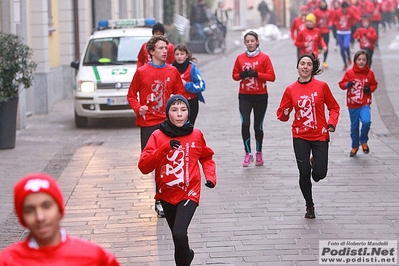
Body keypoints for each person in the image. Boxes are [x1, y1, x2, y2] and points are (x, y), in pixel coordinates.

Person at [138, 94, 216, 266]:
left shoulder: (196, 135)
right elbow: (143, 166)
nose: (179, 114)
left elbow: (207, 157)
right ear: (168, 113)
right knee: (178, 239)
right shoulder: (157, 136)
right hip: (166, 194)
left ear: (189, 113)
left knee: (179, 233)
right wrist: (165, 148)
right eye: (174, 110)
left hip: (190, 192)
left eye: (183, 110)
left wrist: (210, 176)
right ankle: (187, 254)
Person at [0, 173, 120, 265]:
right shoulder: (7, 261)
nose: (40, 217)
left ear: (59, 209)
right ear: (21, 217)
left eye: (46, 206)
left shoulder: (94, 256)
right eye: (29, 210)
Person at [127, 35, 185, 218]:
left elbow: (180, 95)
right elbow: (130, 95)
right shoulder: (142, 72)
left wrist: (178, 113)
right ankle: (161, 198)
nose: (164, 51)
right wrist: (139, 108)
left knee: (169, 160)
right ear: (151, 51)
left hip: (168, 123)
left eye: (165, 48)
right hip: (149, 123)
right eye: (160, 48)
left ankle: (164, 199)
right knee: (154, 161)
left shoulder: (172, 71)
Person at [276, 53, 340, 219]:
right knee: (304, 172)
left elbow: (334, 107)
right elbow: (282, 116)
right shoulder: (291, 90)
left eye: (308, 64)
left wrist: (331, 123)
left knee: (319, 174)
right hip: (300, 136)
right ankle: (309, 205)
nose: (305, 67)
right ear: (298, 67)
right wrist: (285, 112)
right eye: (302, 64)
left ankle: (315, 162)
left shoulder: (322, 86)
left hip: (320, 135)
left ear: (313, 68)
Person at [232, 31, 276, 167]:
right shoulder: (240, 58)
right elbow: (234, 75)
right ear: (245, 43)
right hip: (244, 96)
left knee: (258, 125)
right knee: (245, 123)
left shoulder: (264, 58)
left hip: (260, 96)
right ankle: (247, 153)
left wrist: (257, 74)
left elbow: (272, 77)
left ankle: (258, 152)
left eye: (252, 41)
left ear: (257, 42)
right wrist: (243, 74)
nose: (250, 43)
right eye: (247, 41)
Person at [338, 50, 378, 157]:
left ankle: (363, 140)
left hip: (364, 103)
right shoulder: (350, 73)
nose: (361, 62)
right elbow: (341, 84)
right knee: (354, 127)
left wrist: (369, 89)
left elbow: (374, 84)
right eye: (359, 59)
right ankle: (354, 146)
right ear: (355, 60)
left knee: (366, 121)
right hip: (352, 105)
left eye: (364, 60)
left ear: (367, 61)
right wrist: (347, 84)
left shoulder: (370, 73)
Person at [172, 44, 206, 125]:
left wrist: (186, 84)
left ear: (186, 55)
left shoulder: (192, 68)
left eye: (182, 54)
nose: (179, 57)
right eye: (177, 54)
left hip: (191, 102)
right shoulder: (171, 69)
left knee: (188, 126)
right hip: (175, 102)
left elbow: (201, 85)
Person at [332, 1, 361, 70]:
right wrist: (335, 24)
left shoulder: (350, 12)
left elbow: (356, 17)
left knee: (346, 45)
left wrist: (360, 20)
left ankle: (348, 56)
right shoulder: (337, 12)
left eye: (346, 7)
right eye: (344, 8)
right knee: (342, 49)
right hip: (339, 32)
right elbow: (333, 19)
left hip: (347, 32)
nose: (345, 9)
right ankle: (345, 63)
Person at [314, 0, 334, 68]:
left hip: (326, 31)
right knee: (318, 45)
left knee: (326, 46)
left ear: (326, 4)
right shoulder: (316, 11)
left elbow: (332, 19)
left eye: (324, 3)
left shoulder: (329, 11)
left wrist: (330, 24)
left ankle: (324, 61)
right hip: (318, 31)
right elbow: (314, 20)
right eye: (321, 3)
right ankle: (316, 59)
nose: (323, 4)